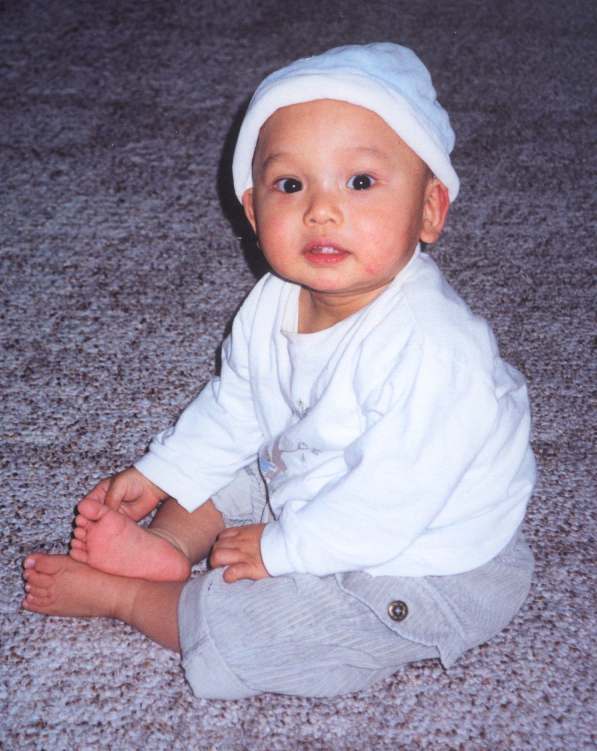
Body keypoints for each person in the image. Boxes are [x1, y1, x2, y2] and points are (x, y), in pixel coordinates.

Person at [22, 42, 535, 699]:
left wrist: (279, 550)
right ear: (253, 209)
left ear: (430, 209)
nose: (321, 209)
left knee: (282, 630)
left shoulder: (435, 351)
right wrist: (164, 473)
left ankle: (130, 597)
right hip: (319, 477)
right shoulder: (272, 301)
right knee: (243, 463)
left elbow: (388, 502)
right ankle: (170, 546)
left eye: (360, 182)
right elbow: (237, 405)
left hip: (427, 558)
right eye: (290, 185)